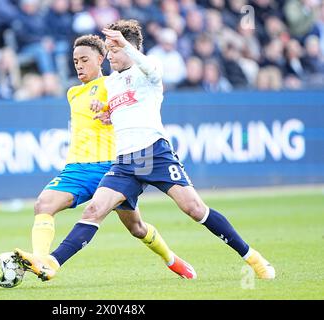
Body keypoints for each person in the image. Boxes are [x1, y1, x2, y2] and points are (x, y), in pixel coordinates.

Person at [14, 19, 275, 281]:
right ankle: (51, 263)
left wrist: (126, 45)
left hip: (154, 154)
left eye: (113, 50)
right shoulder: (113, 82)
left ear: (129, 48)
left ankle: (252, 257)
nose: (109, 56)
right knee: (94, 211)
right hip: (124, 162)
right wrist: (106, 112)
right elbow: (122, 109)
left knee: (194, 209)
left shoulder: (149, 71)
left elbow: (147, 68)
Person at [14, 34, 195, 281]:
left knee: (136, 228)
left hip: (111, 167)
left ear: (101, 59)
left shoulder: (116, 83)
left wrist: (107, 107)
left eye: (84, 59)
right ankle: (40, 260)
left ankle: (171, 259)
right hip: (77, 168)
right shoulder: (72, 93)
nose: (78, 65)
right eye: (75, 60)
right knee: (43, 205)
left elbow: (129, 100)